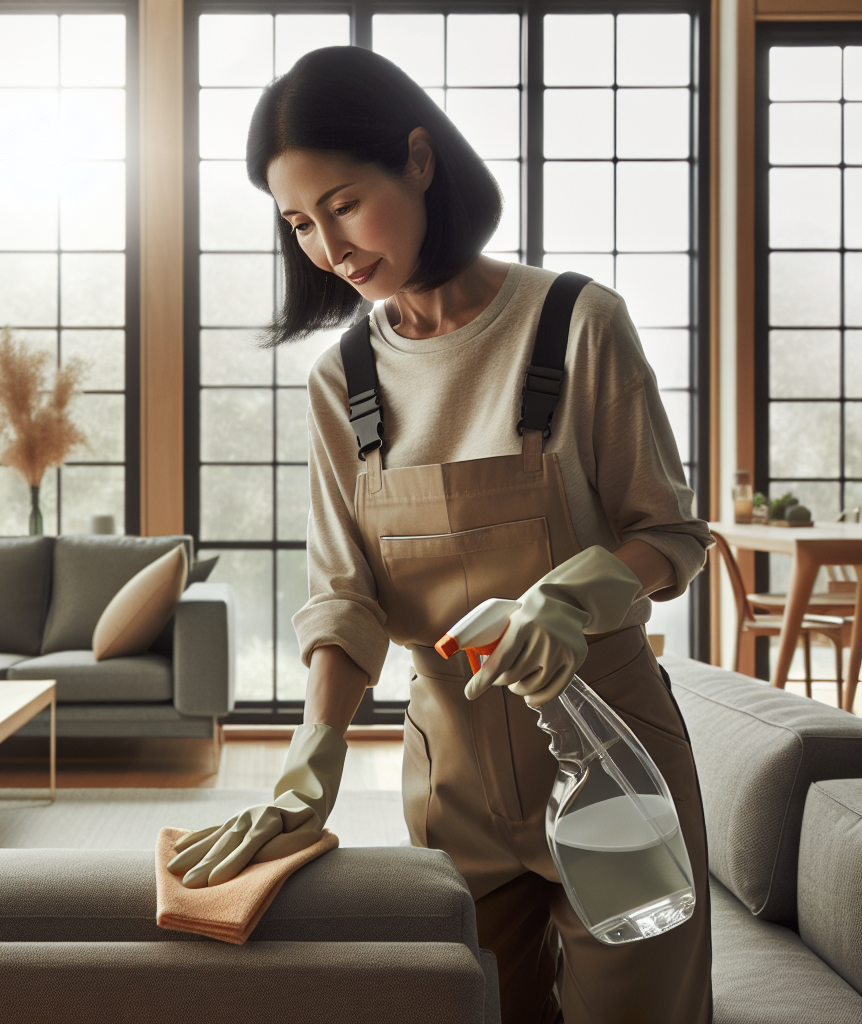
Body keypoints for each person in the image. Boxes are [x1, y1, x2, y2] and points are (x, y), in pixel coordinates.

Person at [170, 46, 713, 1024]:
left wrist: (572, 593)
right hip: (449, 777)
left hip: (615, 761)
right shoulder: (344, 381)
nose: (328, 246)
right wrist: (310, 759)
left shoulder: (576, 324)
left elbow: (668, 535)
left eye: (341, 203)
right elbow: (345, 596)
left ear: (418, 161)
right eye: (298, 222)